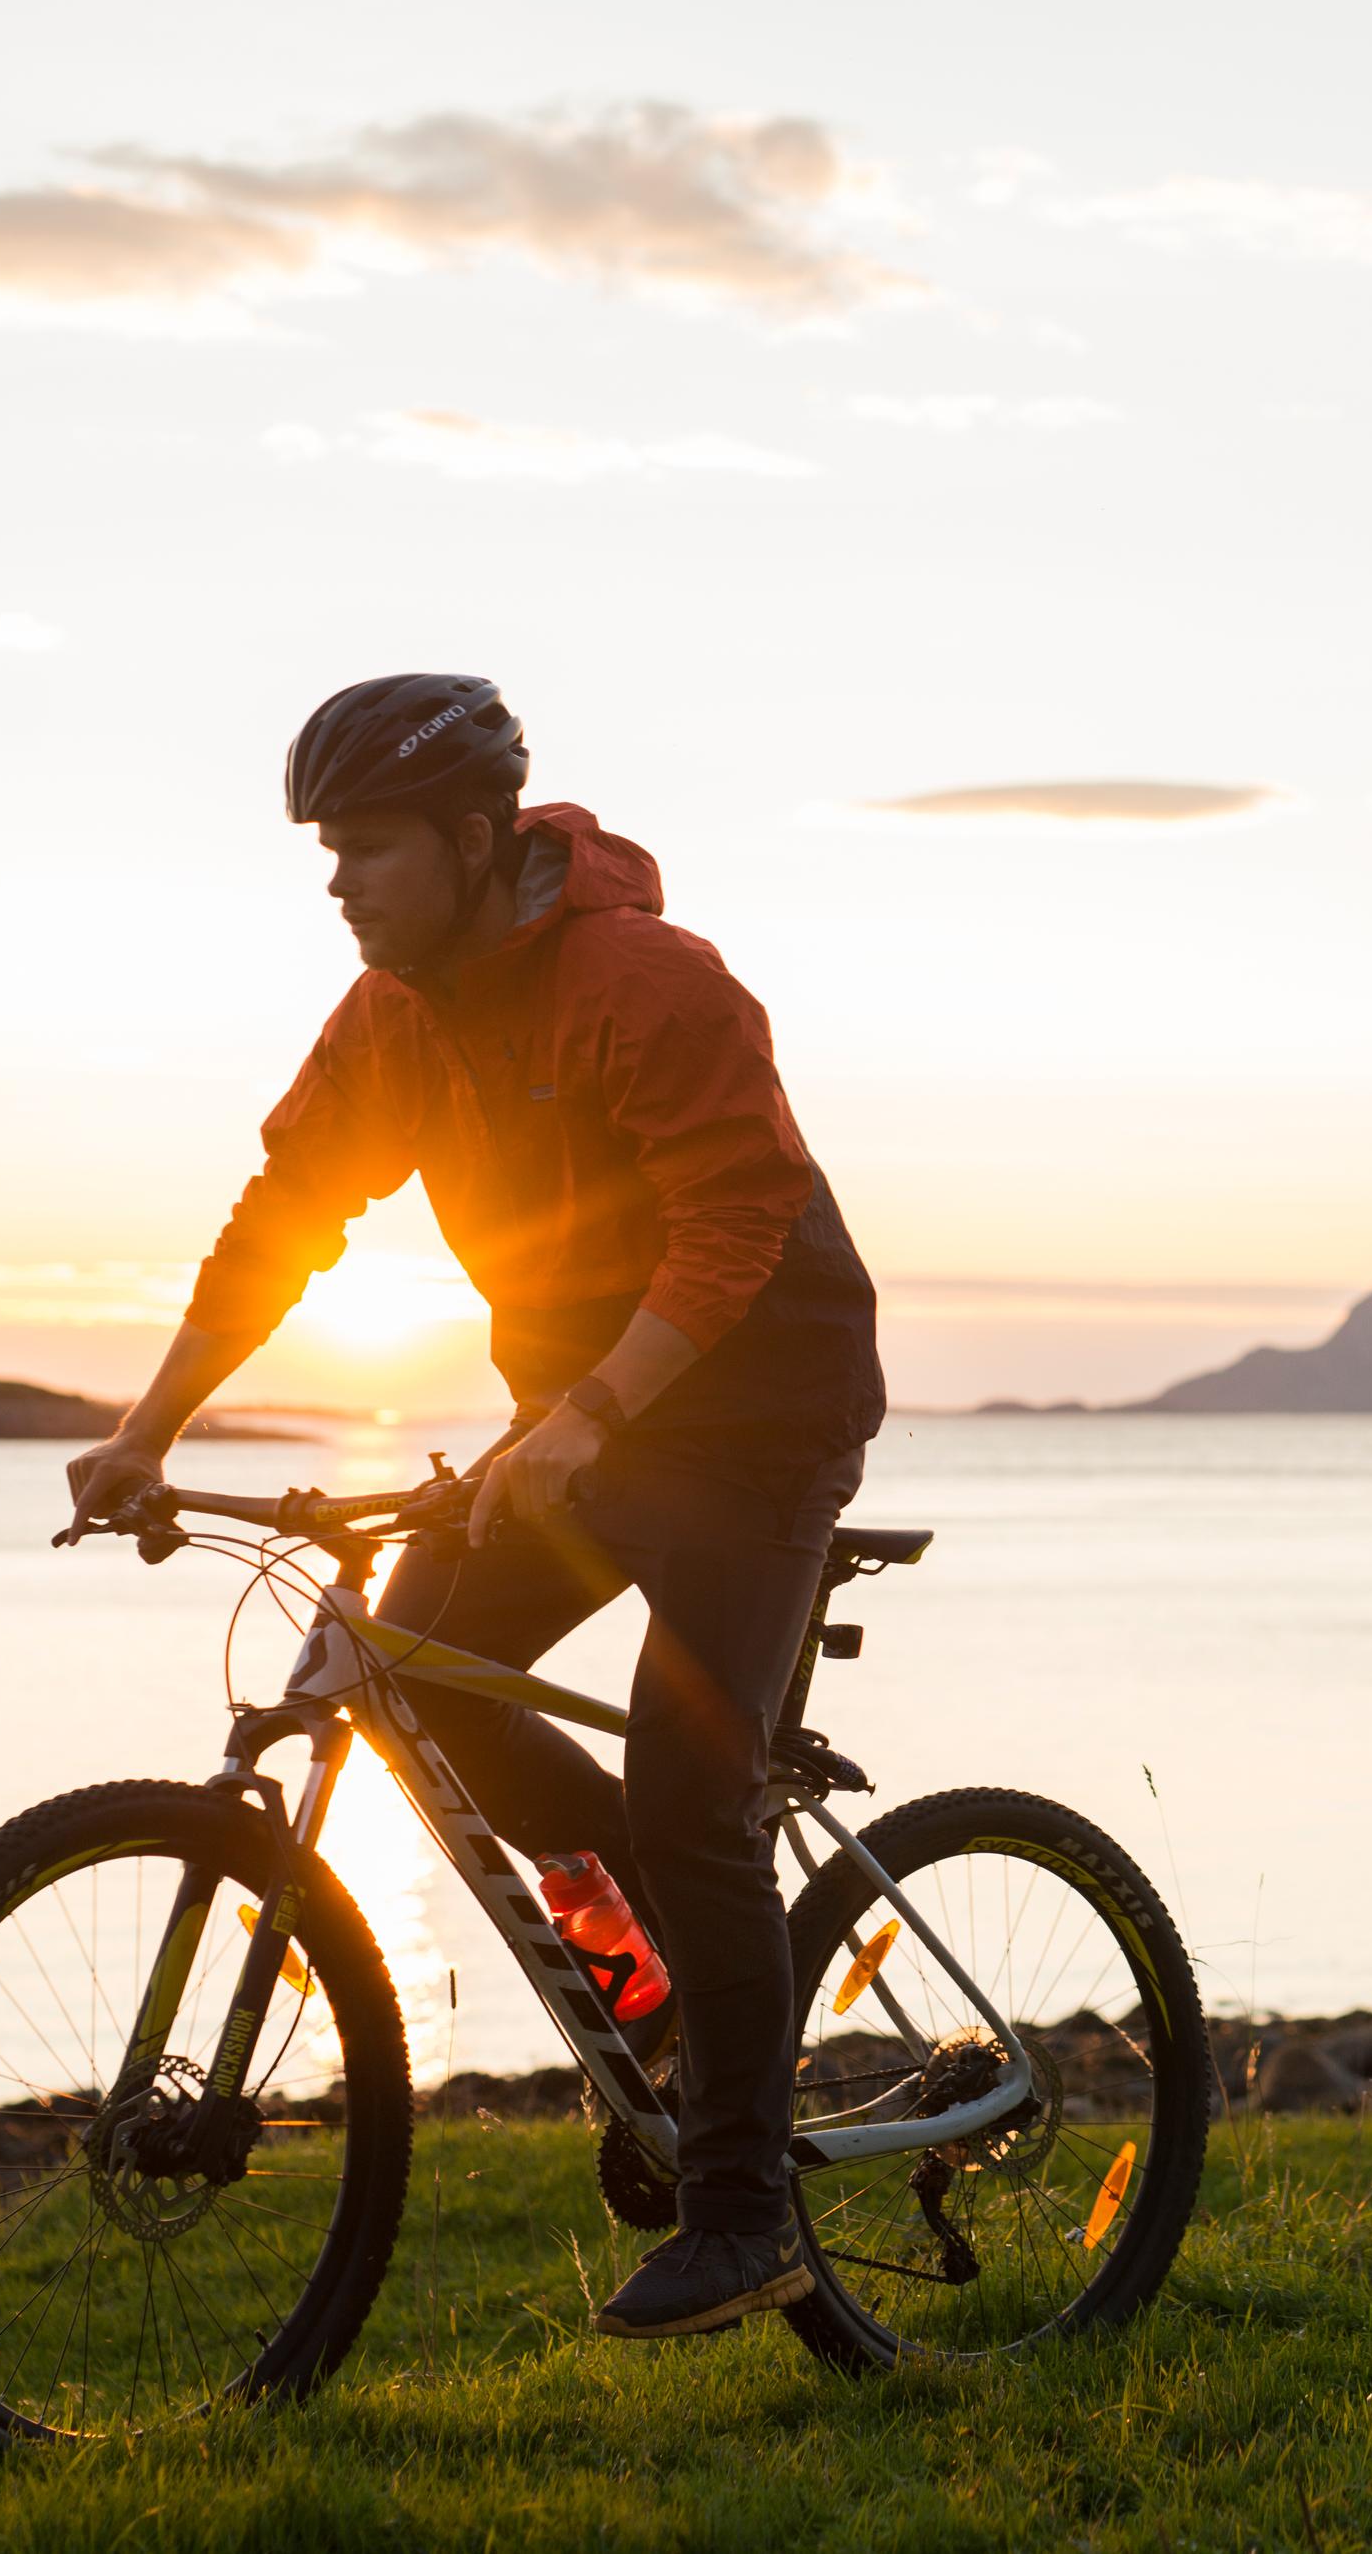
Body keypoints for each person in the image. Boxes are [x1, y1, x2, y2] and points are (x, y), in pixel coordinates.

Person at [64, 673, 886, 2339]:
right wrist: (148, 1425)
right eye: (326, 854)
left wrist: (592, 1413)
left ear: (469, 836)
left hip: (759, 1422)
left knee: (694, 1792)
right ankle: (664, 1952)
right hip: (573, 1427)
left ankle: (748, 2216)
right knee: (409, 1666)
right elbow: (285, 1216)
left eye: (368, 848)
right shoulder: (392, 1017)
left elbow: (734, 1220)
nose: (340, 884)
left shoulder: (651, 985)